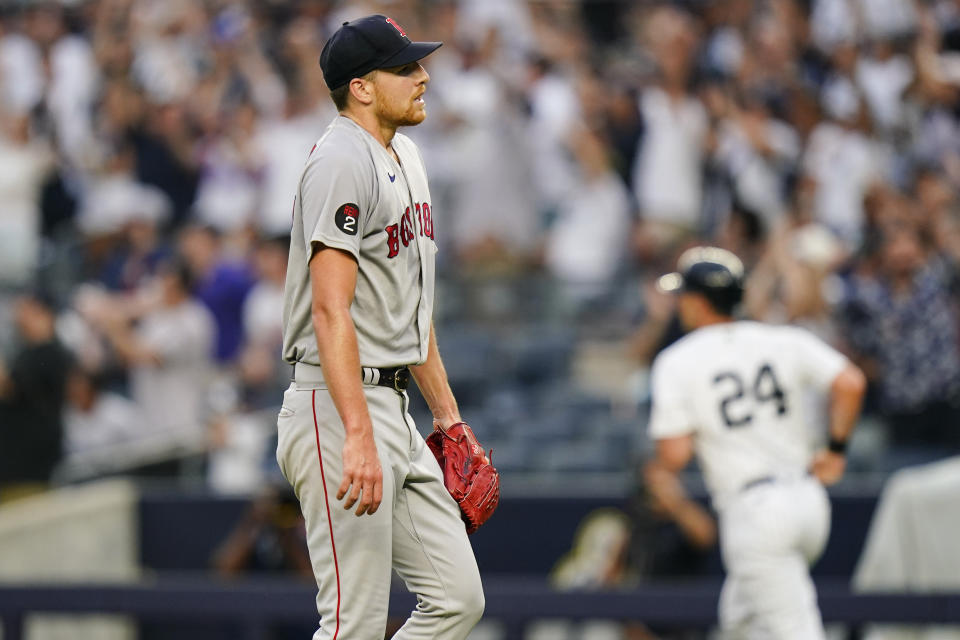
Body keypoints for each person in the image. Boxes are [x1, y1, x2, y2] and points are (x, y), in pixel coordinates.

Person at [275, 15, 484, 640]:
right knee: (353, 623)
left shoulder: (407, 155)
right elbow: (329, 308)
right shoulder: (340, 159)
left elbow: (409, 311)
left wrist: (448, 418)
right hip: (338, 408)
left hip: (391, 406)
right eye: (405, 68)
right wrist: (358, 435)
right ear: (362, 87)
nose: (423, 77)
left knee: (456, 599)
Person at [647, 246, 867, 639]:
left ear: (698, 303)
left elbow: (674, 454)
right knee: (740, 623)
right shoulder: (781, 339)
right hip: (808, 501)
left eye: (684, 296)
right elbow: (850, 382)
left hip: (755, 511)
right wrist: (835, 452)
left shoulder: (678, 360)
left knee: (796, 631)